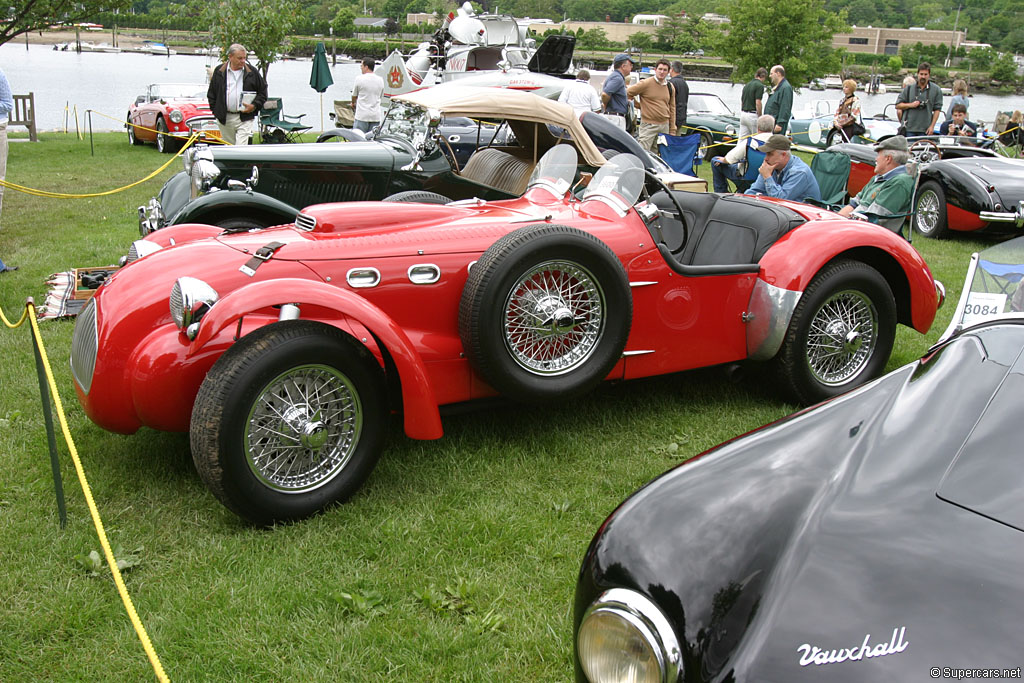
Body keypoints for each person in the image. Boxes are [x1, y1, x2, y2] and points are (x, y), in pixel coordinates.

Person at [838, 136, 914, 233]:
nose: (876, 159)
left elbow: (874, 219)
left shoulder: (899, 183)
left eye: (878, 155)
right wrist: (835, 220)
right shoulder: (878, 178)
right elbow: (854, 203)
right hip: (854, 227)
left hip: (869, 235)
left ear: (888, 159)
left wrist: (841, 226)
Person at [207, 44, 268, 145]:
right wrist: (216, 111)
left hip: (245, 118)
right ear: (230, 57)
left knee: (240, 146)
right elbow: (211, 94)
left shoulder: (252, 72)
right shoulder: (219, 71)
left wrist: (254, 106)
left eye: (244, 58)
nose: (243, 61)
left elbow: (263, 92)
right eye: (240, 58)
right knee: (230, 147)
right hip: (225, 118)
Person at [744, 134, 821, 202]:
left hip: (805, 214)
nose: (765, 158)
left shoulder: (799, 172)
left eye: (770, 154)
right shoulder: (771, 166)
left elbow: (780, 200)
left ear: (783, 155)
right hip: (784, 213)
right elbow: (753, 191)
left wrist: (767, 177)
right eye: (766, 154)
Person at [710, 114, 774, 193]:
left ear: (758, 128)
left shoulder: (750, 142)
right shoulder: (777, 143)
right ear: (772, 127)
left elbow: (730, 158)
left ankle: (721, 193)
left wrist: (723, 160)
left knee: (715, 160)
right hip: (769, 179)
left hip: (745, 179)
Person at [626, 59, 677, 153]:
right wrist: (640, 106)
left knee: (659, 155)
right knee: (643, 153)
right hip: (648, 125)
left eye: (665, 70)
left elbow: (672, 108)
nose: (662, 72)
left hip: (664, 126)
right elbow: (628, 93)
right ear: (655, 69)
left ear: (669, 71)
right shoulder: (645, 83)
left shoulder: (670, 87)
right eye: (660, 69)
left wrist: (672, 128)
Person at [895, 62, 942, 137]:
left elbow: (937, 110)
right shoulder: (909, 88)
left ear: (929, 75)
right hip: (909, 128)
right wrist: (911, 105)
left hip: (925, 130)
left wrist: (932, 126)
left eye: (925, 74)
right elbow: (898, 105)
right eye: (921, 74)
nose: (923, 76)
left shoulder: (936, 90)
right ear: (917, 74)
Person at [351, 57, 385, 134]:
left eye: (361, 66)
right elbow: (380, 96)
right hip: (375, 115)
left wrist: (353, 103)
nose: (361, 68)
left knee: (358, 138)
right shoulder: (380, 80)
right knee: (372, 140)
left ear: (366, 67)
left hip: (362, 115)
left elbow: (354, 96)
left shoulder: (359, 79)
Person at [601, 53, 634, 130]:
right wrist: (605, 105)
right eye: (630, 65)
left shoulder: (614, 76)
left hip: (613, 116)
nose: (632, 67)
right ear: (623, 66)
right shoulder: (617, 78)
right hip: (616, 118)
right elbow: (605, 94)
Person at [739, 68, 768, 139]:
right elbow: (758, 102)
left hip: (743, 114)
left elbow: (742, 101)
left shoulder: (747, 85)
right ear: (763, 76)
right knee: (756, 138)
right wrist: (760, 116)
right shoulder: (759, 86)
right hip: (752, 115)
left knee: (742, 139)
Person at [764, 65, 793, 135]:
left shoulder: (785, 88)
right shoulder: (778, 87)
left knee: (776, 144)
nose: (770, 76)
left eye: (771, 73)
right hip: (771, 124)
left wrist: (780, 124)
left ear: (778, 73)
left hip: (777, 125)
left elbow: (785, 107)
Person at [668, 61, 689, 132]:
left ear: (672, 69)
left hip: (672, 118)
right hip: (682, 117)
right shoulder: (684, 83)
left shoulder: (671, 83)